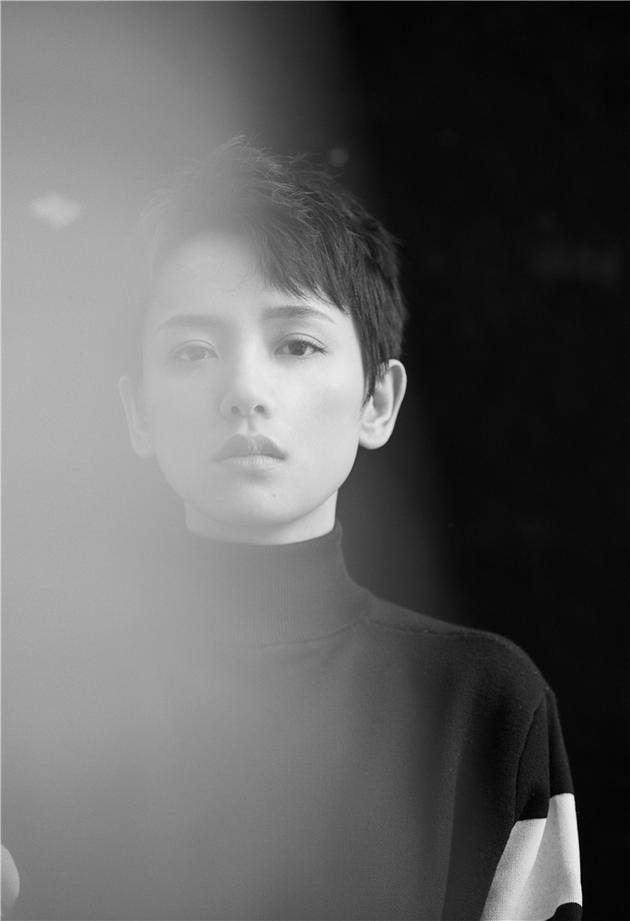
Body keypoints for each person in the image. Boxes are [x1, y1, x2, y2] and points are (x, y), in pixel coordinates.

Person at [2, 140, 582, 920]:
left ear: (379, 400)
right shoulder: (30, 699)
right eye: (193, 350)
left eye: (296, 344)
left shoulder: (483, 706)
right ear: (138, 411)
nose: (245, 388)